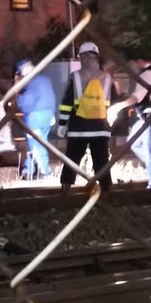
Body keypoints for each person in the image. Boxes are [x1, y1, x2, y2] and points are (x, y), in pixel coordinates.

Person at [57, 41, 123, 193]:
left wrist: (62, 124)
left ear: (82, 57)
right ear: (96, 57)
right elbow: (114, 104)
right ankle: (106, 189)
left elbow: (66, 103)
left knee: (72, 158)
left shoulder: (75, 77)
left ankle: (66, 189)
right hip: (101, 128)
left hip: (78, 127)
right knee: (101, 160)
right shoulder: (108, 78)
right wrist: (112, 125)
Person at [125, 59, 151, 190]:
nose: (130, 65)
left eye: (131, 62)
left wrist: (118, 106)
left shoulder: (147, 74)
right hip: (145, 117)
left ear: (139, 61)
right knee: (133, 142)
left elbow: (138, 96)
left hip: (149, 117)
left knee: (149, 151)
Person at [15, 58, 57, 179]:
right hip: (48, 115)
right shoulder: (44, 79)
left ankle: (44, 171)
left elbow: (26, 102)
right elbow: (51, 97)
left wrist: (18, 100)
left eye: (20, 73)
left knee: (35, 145)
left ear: (23, 70)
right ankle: (28, 170)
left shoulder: (30, 82)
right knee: (39, 142)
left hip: (35, 118)